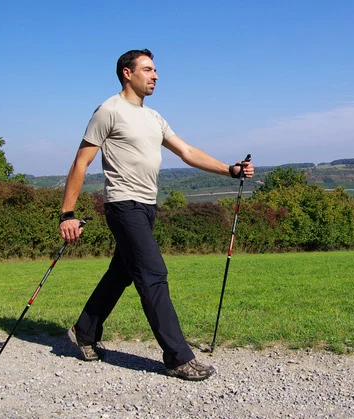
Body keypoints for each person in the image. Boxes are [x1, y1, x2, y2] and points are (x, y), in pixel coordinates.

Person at [59, 49, 254, 381]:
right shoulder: (108, 111)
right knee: (153, 274)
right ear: (127, 73)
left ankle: (85, 331)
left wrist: (231, 169)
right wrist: (67, 213)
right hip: (123, 205)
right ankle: (177, 357)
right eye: (148, 69)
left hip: (147, 206)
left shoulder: (154, 117)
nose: (155, 75)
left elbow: (187, 151)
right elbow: (81, 162)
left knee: (120, 273)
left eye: (155, 70)